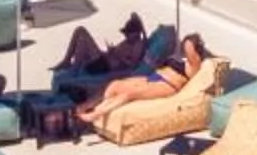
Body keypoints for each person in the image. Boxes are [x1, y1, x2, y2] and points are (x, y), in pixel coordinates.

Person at [78, 33, 210, 125]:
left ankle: (96, 114)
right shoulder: (183, 58)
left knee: (129, 94)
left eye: (188, 45)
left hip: (167, 85)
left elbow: (190, 48)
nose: (185, 47)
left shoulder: (194, 65)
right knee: (115, 85)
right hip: (154, 77)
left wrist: (191, 40)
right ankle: (96, 107)